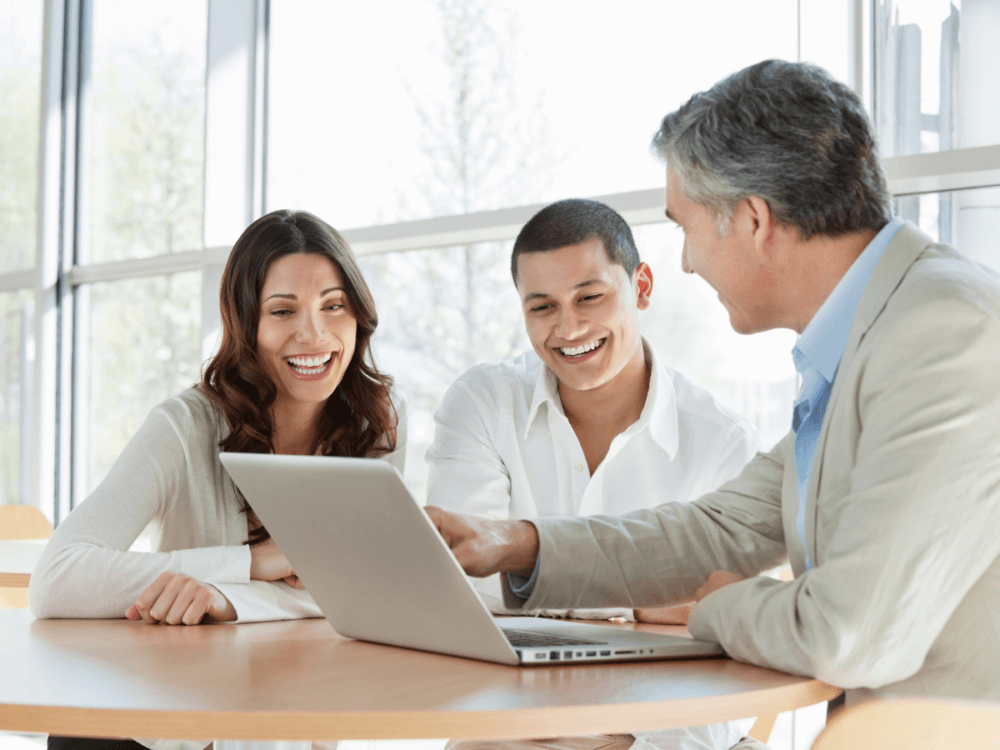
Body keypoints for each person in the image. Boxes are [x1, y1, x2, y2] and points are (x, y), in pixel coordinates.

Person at [425, 58, 1000, 731]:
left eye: (685, 227)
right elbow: (721, 528)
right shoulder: (873, 336)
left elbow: (843, 633)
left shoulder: (943, 333)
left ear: (753, 220)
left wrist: (715, 608)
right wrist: (518, 544)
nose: (687, 262)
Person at [30, 209, 406, 750]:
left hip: (294, 720)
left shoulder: (379, 423)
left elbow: (374, 588)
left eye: (334, 306)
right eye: (283, 311)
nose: (314, 334)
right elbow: (57, 578)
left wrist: (226, 598)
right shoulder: (184, 425)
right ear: (245, 322)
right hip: (167, 725)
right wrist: (258, 562)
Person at [428, 198, 762, 750]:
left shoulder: (720, 442)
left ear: (643, 287)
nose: (568, 327)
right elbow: (460, 584)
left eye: (590, 297)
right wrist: (642, 600)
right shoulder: (483, 402)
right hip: (510, 706)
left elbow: (733, 615)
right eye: (542, 307)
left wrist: (534, 574)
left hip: (667, 714)